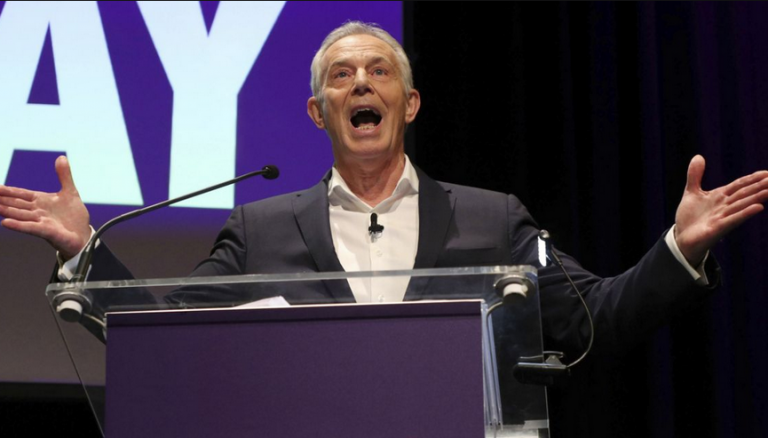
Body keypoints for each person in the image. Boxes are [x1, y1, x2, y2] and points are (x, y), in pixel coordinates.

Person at [1, 21, 768, 354]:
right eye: (341, 76)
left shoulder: (492, 219)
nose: (361, 83)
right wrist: (86, 251)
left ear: (410, 104)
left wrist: (677, 250)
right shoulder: (260, 230)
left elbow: (595, 317)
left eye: (378, 73)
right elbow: (165, 332)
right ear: (318, 111)